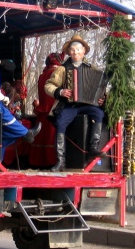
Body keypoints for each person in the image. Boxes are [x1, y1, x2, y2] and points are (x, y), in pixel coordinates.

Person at [45, 34, 106, 172]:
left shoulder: (92, 68)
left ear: (83, 51)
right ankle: (60, 161)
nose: (75, 52)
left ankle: (92, 149)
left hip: (88, 104)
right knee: (60, 122)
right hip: (69, 104)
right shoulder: (62, 69)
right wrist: (60, 92)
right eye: (72, 50)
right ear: (69, 52)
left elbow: (100, 88)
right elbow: (48, 86)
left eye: (78, 49)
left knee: (99, 114)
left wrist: (102, 98)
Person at [29, 52, 66, 168]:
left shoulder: (42, 75)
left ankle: (38, 163)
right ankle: (52, 163)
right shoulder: (57, 74)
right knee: (51, 138)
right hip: (52, 112)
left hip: (42, 113)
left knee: (41, 138)